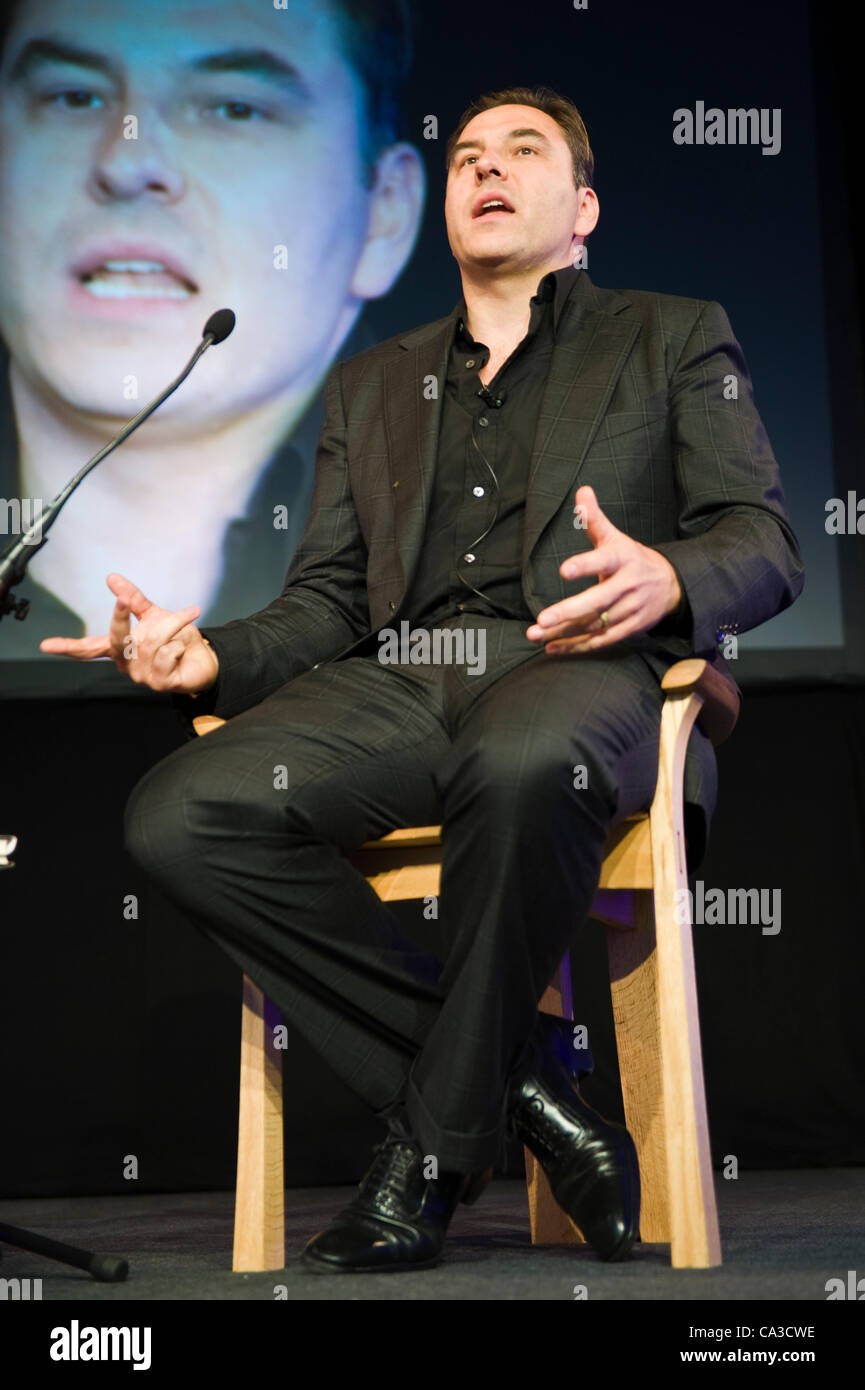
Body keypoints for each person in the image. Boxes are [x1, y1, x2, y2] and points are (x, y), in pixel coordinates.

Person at [42, 86, 804, 1273]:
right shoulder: (373, 384)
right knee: (181, 813)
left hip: (573, 661)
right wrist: (212, 657)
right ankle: (534, 1086)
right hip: (399, 680)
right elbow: (329, 603)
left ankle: (425, 1162)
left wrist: (664, 574)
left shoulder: (669, 333)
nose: (486, 169)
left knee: (519, 760)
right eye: (465, 157)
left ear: (583, 207)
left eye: (523, 151)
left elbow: (761, 537)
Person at [0, 0, 422, 657]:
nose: (128, 163)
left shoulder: (461, 522)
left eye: (233, 108)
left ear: (386, 214)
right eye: (73, 97)